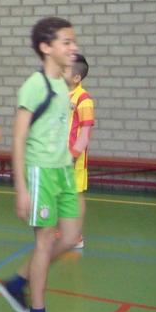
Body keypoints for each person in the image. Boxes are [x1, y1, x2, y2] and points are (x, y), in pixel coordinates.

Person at [0, 17, 81, 312]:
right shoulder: (35, 85)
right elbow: (17, 139)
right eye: (66, 42)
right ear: (46, 47)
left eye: (73, 42)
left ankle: (18, 282)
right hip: (40, 172)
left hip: (63, 171)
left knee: (70, 237)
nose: (73, 48)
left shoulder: (63, 82)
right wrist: (21, 189)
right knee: (44, 241)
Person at [65, 54, 94, 250]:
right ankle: (65, 231)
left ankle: (76, 235)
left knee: (75, 195)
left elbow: (85, 134)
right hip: (57, 157)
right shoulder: (60, 94)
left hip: (73, 158)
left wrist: (74, 155)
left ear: (77, 78)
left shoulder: (84, 100)